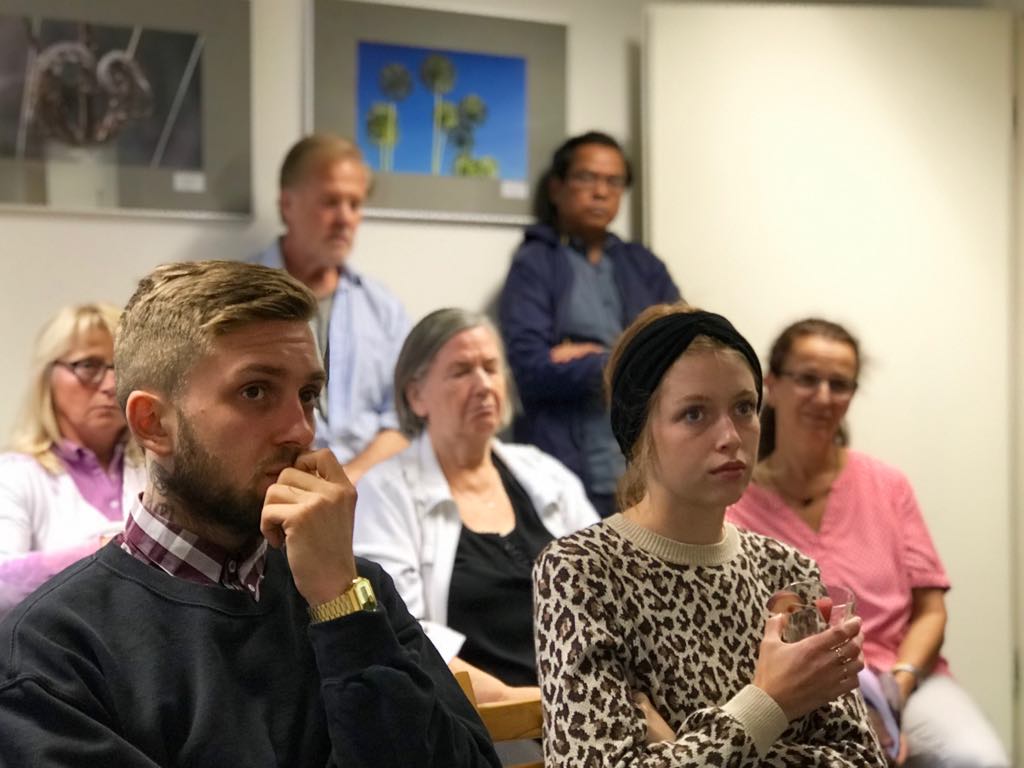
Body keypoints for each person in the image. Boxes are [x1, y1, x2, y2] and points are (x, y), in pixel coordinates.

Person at [0, 261, 499, 767]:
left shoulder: (352, 591)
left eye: (308, 395)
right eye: (255, 391)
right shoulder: (52, 649)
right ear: (153, 424)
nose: (301, 430)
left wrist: (341, 610)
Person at [533, 303, 887, 766]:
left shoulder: (786, 570)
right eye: (694, 414)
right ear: (640, 431)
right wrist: (769, 703)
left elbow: (862, 758)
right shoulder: (581, 571)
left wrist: (678, 745)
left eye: (744, 408)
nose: (730, 436)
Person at [727, 318, 1008, 767]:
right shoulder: (733, 500)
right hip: (794, 692)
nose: (823, 397)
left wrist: (898, 686)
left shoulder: (887, 485)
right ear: (772, 386)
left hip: (901, 678)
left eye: (839, 384)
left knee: (977, 758)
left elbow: (931, 611)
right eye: (807, 379)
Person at [353, 308, 598, 706]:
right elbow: (401, 633)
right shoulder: (384, 492)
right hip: (480, 722)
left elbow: (608, 587)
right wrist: (520, 701)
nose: (483, 384)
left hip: (585, 707)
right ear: (416, 396)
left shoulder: (545, 472)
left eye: (491, 367)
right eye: (462, 371)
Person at [499, 131, 680, 518]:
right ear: (557, 188)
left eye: (613, 181)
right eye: (587, 178)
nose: (601, 192)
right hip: (562, 466)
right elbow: (531, 369)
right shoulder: (535, 264)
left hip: (644, 465)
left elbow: (681, 351)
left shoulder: (643, 265)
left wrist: (594, 357)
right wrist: (637, 361)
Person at [253, 133, 409, 483]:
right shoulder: (236, 300)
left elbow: (405, 415)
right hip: (267, 493)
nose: (345, 219)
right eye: (330, 202)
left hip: (368, 492)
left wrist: (349, 479)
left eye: (354, 204)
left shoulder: (383, 310)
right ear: (287, 205)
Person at [0, 303, 145, 615]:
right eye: (88, 365)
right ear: (48, 378)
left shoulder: (158, 467)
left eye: (120, 367)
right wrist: (105, 550)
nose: (111, 386)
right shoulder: (14, 476)